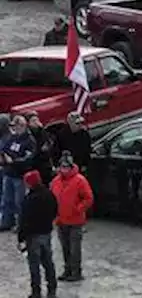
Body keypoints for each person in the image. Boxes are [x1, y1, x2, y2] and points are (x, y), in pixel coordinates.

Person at [50, 153, 92, 283]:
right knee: (65, 247)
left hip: (75, 221)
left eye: (66, 167)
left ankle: (76, 271)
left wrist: (78, 209)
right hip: (61, 220)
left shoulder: (80, 180)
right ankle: (67, 269)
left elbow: (88, 198)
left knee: (75, 248)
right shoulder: (56, 181)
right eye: (62, 167)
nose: (64, 169)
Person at [18, 170, 57, 298]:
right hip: (46, 233)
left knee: (34, 265)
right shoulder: (49, 194)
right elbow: (55, 210)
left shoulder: (29, 199)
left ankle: (36, 292)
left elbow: (23, 220)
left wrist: (21, 238)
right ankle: (52, 289)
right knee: (48, 262)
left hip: (32, 236)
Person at [1, 114, 37, 231]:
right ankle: (6, 222)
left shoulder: (29, 141)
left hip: (20, 176)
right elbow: (5, 149)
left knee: (19, 202)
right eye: (14, 126)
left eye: (17, 126)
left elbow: (28, 158)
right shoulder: (12, 138)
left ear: (23, 126)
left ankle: (21, 224)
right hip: (8, 174)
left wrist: (13, 161)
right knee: (6, 200)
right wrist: (4, 157)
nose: (15, 129)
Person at [25, 114, 55, 185]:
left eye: (37, 120)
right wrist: (40, 150)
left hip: (45, 165)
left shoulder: (43, 132)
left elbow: (49, 142)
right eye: (33, 120)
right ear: (28, 123)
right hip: (34, 165)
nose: (36, 122)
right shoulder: (28, 135)